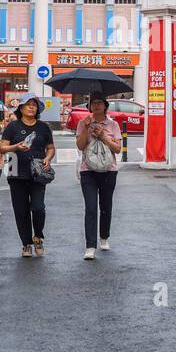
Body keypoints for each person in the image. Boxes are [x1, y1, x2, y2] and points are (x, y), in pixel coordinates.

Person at [1, 95, 55, 256]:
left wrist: (48, 157)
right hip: (15, 169)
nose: (31, 107)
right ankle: (26, 244)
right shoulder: (12, 127)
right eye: (28, 105)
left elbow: (51, 147)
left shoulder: (43, 127)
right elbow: (2, 149)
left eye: (34, 105)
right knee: (21, 210)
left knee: (38, 207)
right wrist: (16, 146)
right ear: (21, 108)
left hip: (38, 172)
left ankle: (38, 236)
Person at [75, 93, 122, 258]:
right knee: (90, 207)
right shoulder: (83, 123)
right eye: (93, 103)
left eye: (99, 103)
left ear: (105, 106)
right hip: (88, 170)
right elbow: (80, 146)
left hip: (109, 170)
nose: (96, 106)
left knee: (106, 206)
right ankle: (90, 246)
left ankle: (104, 236)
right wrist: (87, 129)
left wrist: (103, 136)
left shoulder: (113, 125)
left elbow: (117, 149)